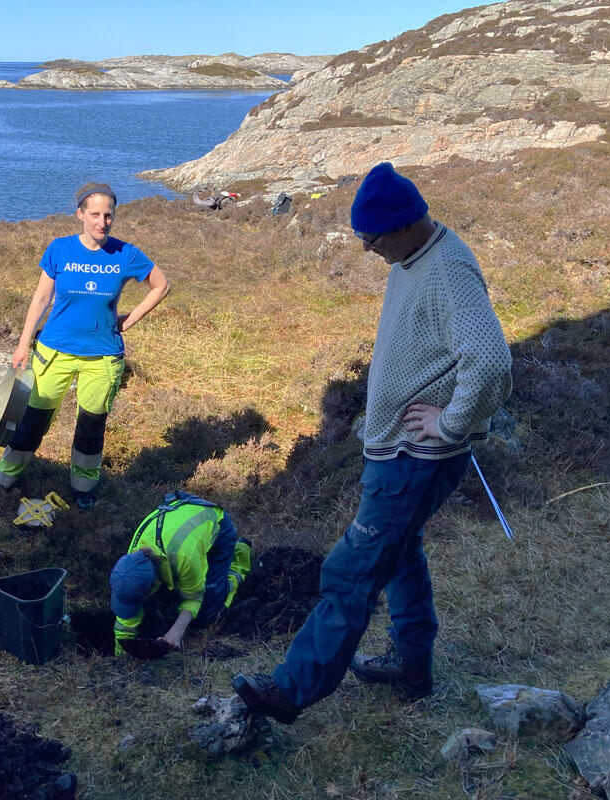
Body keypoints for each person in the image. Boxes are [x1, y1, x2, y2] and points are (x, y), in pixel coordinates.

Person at [233, 162, 513, 723]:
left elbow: (490, 360)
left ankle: (292, 689)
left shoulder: (450, 268)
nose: (364, 248)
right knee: (402, 557)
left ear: (405, 224)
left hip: (416, 458)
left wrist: (451, 423)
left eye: (371, 237)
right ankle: (411, 668)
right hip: (396, 451)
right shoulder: (412, 256)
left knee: (351, 569)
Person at [0, 183, 170, 511]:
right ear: (80, 214)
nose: (102, 222)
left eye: (109, 215)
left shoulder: (125, 254)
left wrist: (131, 318)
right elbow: (42, 298)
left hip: (102, 357)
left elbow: (161, 284)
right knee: (32, 421)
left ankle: (83, 489)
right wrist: (23, 343)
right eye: (95, 214)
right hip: (54, 351)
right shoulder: (60, 250)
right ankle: (4, 481)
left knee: (91, 426)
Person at [109, 491, 251, 654]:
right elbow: (125, 623)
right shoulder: (131, 561)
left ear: (155, 582)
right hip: (181, 517)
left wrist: (176, 632)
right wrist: (121, 656)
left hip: (216, 525)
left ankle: (240, 554)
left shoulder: (184, 556)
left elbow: (194, 599)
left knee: (206, 614)